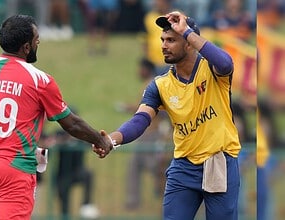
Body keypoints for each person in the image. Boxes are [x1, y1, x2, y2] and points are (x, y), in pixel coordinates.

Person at [0, 14, 112, 219]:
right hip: (14, 168)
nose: (38, 43)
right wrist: (100, 139)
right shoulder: (39, 79)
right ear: (26, 47)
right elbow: (72, 124)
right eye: (36, 40)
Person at [94, 11, 241, 219]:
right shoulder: (160, 85)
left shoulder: (211, 69)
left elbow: (226, 63)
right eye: (162, 39)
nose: (163, 45)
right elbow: (140, 120)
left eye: (171, 40)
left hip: (219, 162)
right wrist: (111, 139)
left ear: (189, 43)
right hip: (184, 166)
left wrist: (187, 31)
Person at [116, 58, 172, 210]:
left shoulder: (154, 84)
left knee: (157, 168)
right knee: (136, 165)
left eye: (140, 68)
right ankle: (133, 201)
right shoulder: (151, 84)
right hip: (144, 134)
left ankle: (163, 197)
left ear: (147, 69)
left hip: (152, 135)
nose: (138, 71)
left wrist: (127, 107)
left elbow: (145, 108)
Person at [54, 128, 99, 220]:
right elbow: (52, 142)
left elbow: (90, 143)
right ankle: (65, 216)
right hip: (63, 174)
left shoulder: (81, 135)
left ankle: (86, 204)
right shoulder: (59, 133)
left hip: (77, 171)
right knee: (64, 201)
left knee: (88, 175)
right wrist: (64, 141)